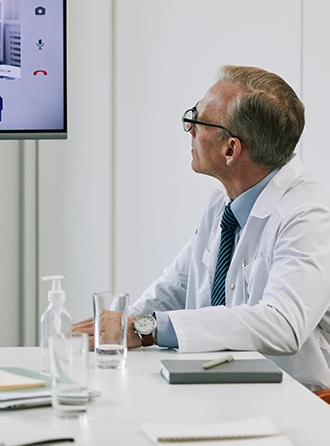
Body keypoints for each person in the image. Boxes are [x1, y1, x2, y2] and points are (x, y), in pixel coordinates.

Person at [73, 66, 330, 390]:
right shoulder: (222, 204)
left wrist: (145, 329)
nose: (190, 128)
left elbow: (283, 324)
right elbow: (175, 287)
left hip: (298, 400)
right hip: (224, 385)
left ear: (231, 149)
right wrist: (116, 328)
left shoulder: (309, 214)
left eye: (198, 119)